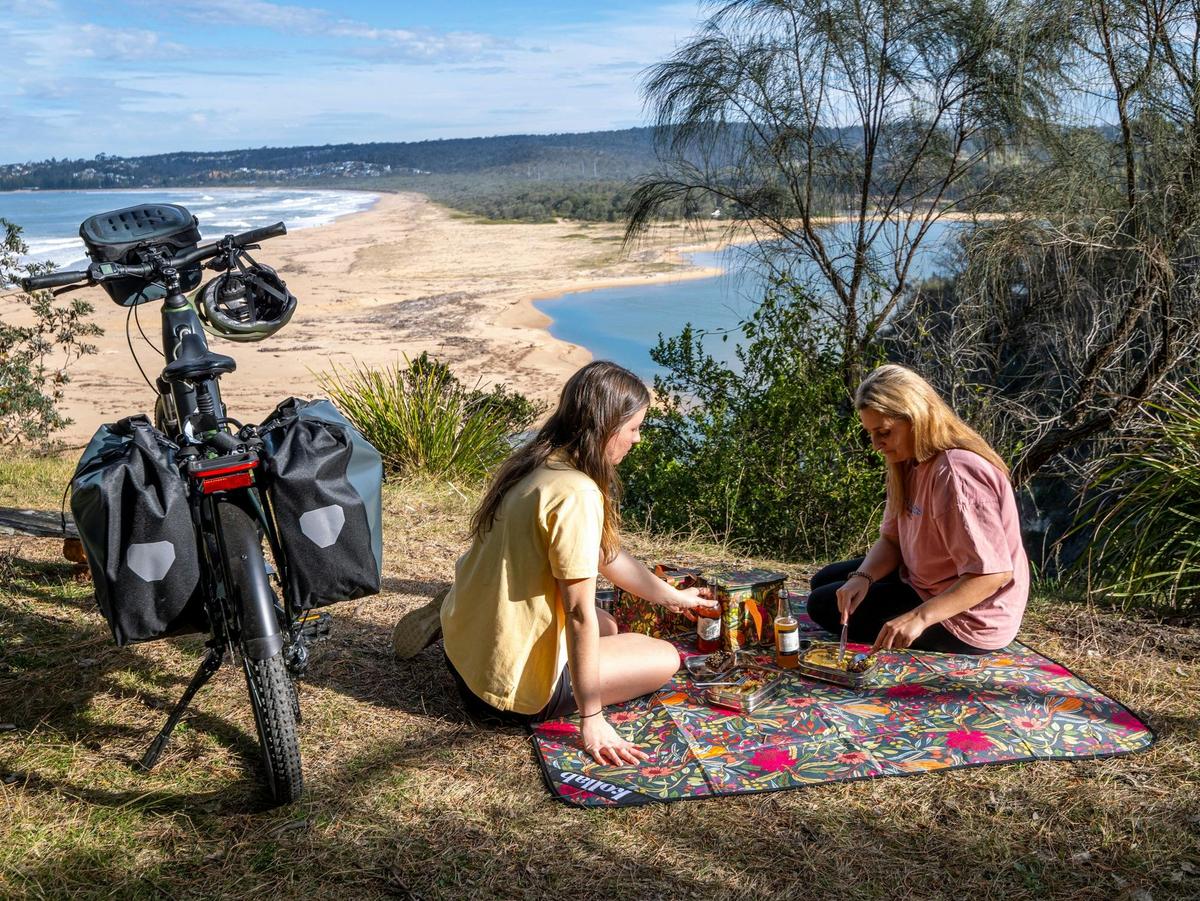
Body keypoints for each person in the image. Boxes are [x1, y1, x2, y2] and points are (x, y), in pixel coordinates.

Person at [396, 361, 702, 766]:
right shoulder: (577, 494)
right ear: (607, 427)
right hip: (506, 693)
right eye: (634, 428)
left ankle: (464, 606)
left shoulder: (541, 461)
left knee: (609, 625)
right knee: (663, 655)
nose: (638, 439)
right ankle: (534, 672)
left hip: (465, 654)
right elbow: (577, 614)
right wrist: (592, 718)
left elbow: (602, 554)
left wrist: (670, 596)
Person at [807, 364, 1030, 654]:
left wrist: (918, 617)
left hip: (969, 615)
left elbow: (991, 575)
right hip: (925, 577)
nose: (876, 444)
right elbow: (892, 540)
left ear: (916, 418)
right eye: (870, 433)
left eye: (884, 432)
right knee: (826, 583)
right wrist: (862, 578)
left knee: (821, 604)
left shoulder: (956, 474)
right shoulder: (908, 463)